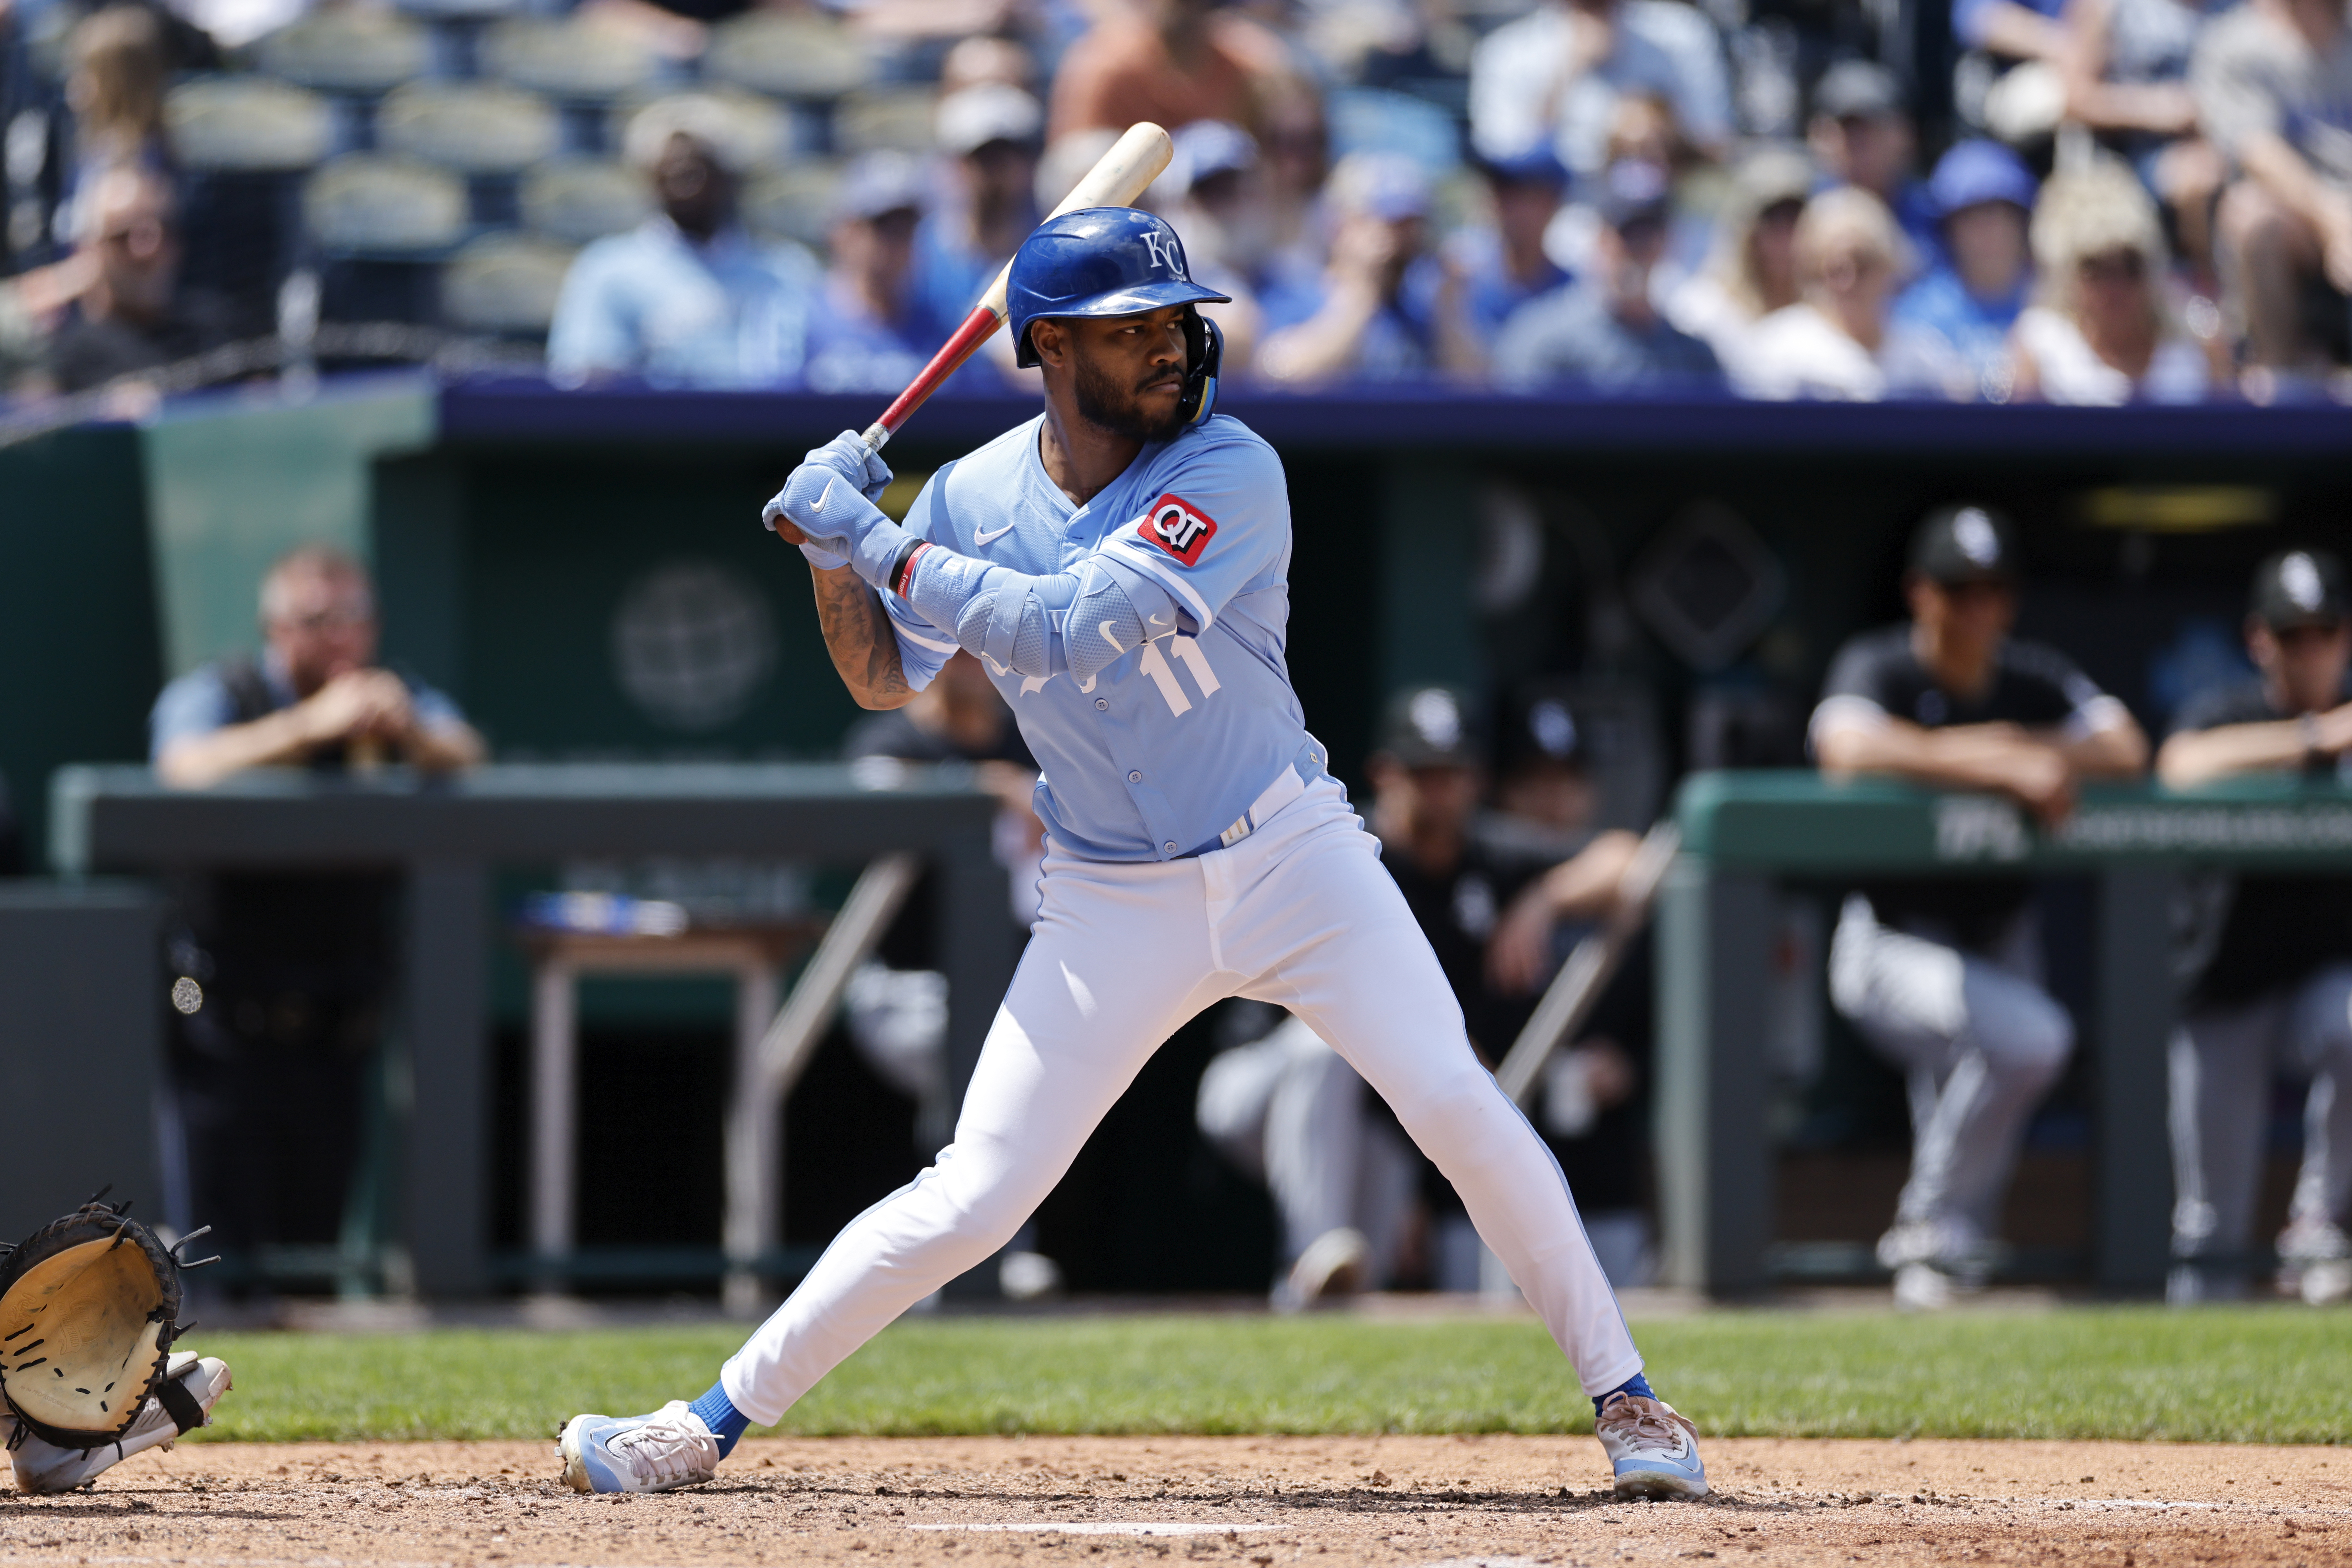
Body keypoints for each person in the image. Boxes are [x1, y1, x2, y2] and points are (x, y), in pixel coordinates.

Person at [557, 206, 1713, 1501]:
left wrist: (878, 537)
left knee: (1453, 1102)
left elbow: (1065, 630)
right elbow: (887, 676)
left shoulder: (1232, 468)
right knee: (976, 1191)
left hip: (1289, 852)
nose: (1173, 346)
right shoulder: (970, 497)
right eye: (1136, 330)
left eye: (1178, 321)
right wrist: (835, 558)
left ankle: (1630, 1401)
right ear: (1048, 346)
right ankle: (707, 1422)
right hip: (1111, 891)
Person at [1809, 504, 2149, 1309]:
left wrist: (2013, 743)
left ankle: (1935, 1276)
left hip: (1999, 936)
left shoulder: (2028, 671)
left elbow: (2126, 747)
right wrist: (1994, 762)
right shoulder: (1881, 662)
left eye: (1994, 588)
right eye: (1961, 588)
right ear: (1920, 592)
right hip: (1891, 942)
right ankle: (1928, 1226)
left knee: (1989, 1082)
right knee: (2031, 1039)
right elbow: (1845, 746)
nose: (1979, 608)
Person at [150, 547, 484, 1300]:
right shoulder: (226, 690)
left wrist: (411, 733)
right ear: (276, 628)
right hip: (219, 1027)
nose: (340, 638)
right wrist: (306, 725)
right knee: (211, 1274)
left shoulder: (390, 699)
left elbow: (467, 752)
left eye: (355, 618)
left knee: (311, 1269)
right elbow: (182, 764)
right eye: (317, 620)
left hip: (337, 1028)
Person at [2156, 548, 2352, 1305]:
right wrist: (2317, 737)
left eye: (2323, 631)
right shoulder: (2230, 712)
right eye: (2291, 632)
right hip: (2224, 984)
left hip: (2318, 978)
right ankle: (2187, 1398)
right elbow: (2178, 766)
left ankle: (2318, 1219)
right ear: (2259, 638)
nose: (2308, 648)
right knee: (2210, 1226)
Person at [547, 103, 821, 388]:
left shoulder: (788, 270)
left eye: (704, 162)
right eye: (669, 165)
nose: (686, 169)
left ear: (730, 175)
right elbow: (585, 380)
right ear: (648, 177)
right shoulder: (607, 270)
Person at [2193, 0, 2352, 376]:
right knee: (2252, 214)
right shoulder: (2236, 42)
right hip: (2298, 212)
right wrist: (2333, 220)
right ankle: (2285, 381)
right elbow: (2257, 152)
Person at [1495, 159, 1723, 391]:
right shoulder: (1544, 340)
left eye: (1649, 235)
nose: (1638, 250)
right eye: (1628, 234)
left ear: (1667, 243)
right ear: (1601, 240)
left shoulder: (1695, 357)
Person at [2009, 160, 2211, 402]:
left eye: (2130, 266)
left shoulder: (2199, 346)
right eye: (2095, 269)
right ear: (2067, 272)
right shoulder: (2039, 347)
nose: (2116, 287)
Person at [1734, 184, 1958, 400]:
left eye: (1862, 265)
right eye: (1835, 269)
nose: (1848, 282)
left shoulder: (1924, 357)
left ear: (1889, 268)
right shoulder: (1777, 351)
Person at [44, 163, 249, 397]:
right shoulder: (65, 361)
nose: (147, 250)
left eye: (160, 231)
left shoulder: (220, 329)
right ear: (88, 250)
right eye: (124, 236)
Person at [1468, 0, 1733, 180]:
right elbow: (1503, 162)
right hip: (1562, 223)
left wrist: (1656, 129)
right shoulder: (1504, 52)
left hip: (1664, 228)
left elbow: (1715, 145)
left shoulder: (1681, 34)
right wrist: (1568, 72)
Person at [2057, 0, 2225, 278]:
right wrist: (2157, 109)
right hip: (2137, 159)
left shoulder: (2235, 8)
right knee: (2196, 180)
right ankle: (2209, 291)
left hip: (2231, 145)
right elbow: (2075, 99)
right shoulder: (2108, 8)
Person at [1255, 151, 1441, 386]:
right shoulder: (1294, 295)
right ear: (1340, 226)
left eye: (1410, 225)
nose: (1399, 239)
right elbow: (1279, 373)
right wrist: (1364, 295)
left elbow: (1474, 390)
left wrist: (1450, 308)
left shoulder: (1421, 311)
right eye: (1388, 223)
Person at [1890, 141, 2041, 400]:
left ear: (2022, 222)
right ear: (1949, 229)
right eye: (1971, 217)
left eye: (1999, 213)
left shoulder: (2051, 301)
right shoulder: (1917, 312)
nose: (1988, 230)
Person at [1047, 0, 1305, 144]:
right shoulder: (1105, 67)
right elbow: (1077, 174)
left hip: (1219, 209)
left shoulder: (1246, 60)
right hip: (1126, 223)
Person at [802, 152, 949, 396]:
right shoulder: (799, 320)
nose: (896, 244)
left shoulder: (938, 329)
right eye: (884, 228)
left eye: (906, 229)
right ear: (844, 232)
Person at [911, 84, 1043, 352]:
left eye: (1010, 155)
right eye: (984, 158)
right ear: (957, 165)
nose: (997, 171)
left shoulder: (1050, 251)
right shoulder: (919, 251)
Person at [1424, 143, 1574, 376]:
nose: (1501, 203)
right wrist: (1449, 308)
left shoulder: (1577, 293)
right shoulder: (1456, 285)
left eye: (1517, 193)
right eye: (1497, 190)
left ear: (1552, 203)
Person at [1666, 144, 1813, 380]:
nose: (1787, 238)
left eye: (1796, 221)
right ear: (1747, 230)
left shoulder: (1828, 310)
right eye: (1774, 221)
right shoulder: (1702, 311)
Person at [1806, 61, 1939, 257]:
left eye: (1873, 131)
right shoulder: (1802, 219)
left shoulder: (1937, 214)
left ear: (1905, 136)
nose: (1861, 146)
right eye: (1849, 132)